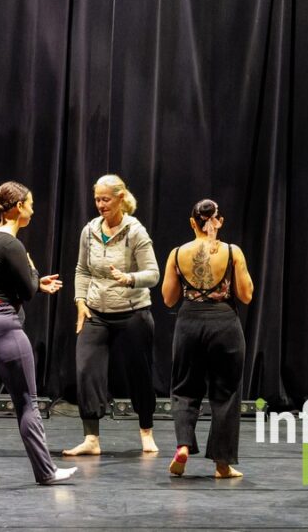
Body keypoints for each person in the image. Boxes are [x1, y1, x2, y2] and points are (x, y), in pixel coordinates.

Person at [0, 182, 76, 485]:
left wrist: (35, 282)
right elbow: (28, 290)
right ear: (19, 206)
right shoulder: (12, 245)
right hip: (3, 326)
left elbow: (8, 283)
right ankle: (46, 471)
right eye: (30, 204)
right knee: (27, 402)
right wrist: (33, 273)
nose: (33, 210)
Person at [64, 175, 161, 456]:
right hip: (96, 312)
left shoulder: (135, 232)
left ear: (121, 198)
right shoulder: (89, 230)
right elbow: (82, 270)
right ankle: (91, 438)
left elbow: (153, 274)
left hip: (132, 312)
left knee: (139, 373)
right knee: (86, 370)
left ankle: (146, 430)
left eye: (106, 199)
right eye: (97, 199)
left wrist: (129, 278)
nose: (100, 204)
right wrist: (80, 301)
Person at [161, 199, 254, 478]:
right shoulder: (232, 251)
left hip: (189, 323)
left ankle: (183, 445)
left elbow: (169, 299)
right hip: (224, 324)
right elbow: (246, 295)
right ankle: (222, 465)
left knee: (184, 388)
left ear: (193, 222)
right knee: (226, 393)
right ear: (219, 221)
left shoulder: (177, 253)